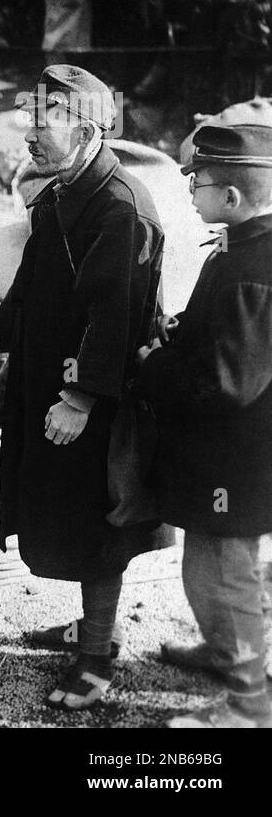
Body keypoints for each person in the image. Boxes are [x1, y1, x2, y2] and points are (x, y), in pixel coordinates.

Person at [0, 65, 173, 711]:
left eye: (45, 124)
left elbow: (113, 314)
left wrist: (80, 397)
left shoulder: (120, 208)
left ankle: (95, 657)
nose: (30, 138)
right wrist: (9, 347)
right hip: (51, 381)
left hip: (99, 398)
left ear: (89, 130)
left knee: (99, 526)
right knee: (68, 514)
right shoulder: (63, 193)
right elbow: (29, 288)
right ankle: (92, 627)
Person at [135, 123, 272, 729]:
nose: (189, 191)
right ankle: (225, 655)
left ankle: (249, 705)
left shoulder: (249, 267)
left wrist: (154, 366)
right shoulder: (246, 248)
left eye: (198, 182)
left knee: (223, 576)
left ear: (233, 197)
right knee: (215, 567)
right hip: (239, 455)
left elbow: (227, 382)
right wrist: (185, 330)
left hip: (234, 458)